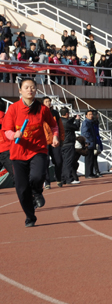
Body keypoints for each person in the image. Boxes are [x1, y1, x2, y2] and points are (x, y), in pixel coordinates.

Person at [2, 78, 60, 227]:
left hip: (38, 150)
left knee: (37, 176)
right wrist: (14, 135)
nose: (30, 90)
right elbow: (6, 130)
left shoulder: (42, 109)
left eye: (33, 87)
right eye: (26, 87)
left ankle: (37, 191)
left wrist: (55, 136)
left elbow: (54, 125)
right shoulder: (13, 109)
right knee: (21, 190)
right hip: (18, 153)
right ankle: (30, 216)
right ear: (20, 90)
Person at [41, 97, 64, 188]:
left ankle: (58, 178)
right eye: (46, 101)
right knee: (45, 162)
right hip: (43, 142)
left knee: (58, 161)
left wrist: (61, 138)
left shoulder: (55, 113)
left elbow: (60, 126)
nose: (48, 103)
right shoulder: (39, 113)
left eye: (49, 101)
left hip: (55, 140)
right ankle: (47, 182)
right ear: (43, 103)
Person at [60, 108, 81, 184]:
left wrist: (73, 118)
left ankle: (63, 179)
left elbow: (68, 123)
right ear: (67, 114)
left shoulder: (59, 121)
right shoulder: (67, 122)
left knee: (63, 162)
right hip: (68, 143)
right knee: (69, 162)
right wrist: (77, 120)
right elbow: (76, 127)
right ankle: (69, 178)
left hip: (62, 143)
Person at [80, 110, 103, 179]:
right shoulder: (86, 122)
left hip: (92, 143)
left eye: (92, 114)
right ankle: (88, 174)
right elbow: (84, 133)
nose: (91, 115)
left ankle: (91, 173)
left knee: (92, 158)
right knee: (88, 159)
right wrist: (91, 139)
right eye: (89, 114)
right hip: (88, 143)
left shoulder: (91, 122)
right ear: (86, 116)